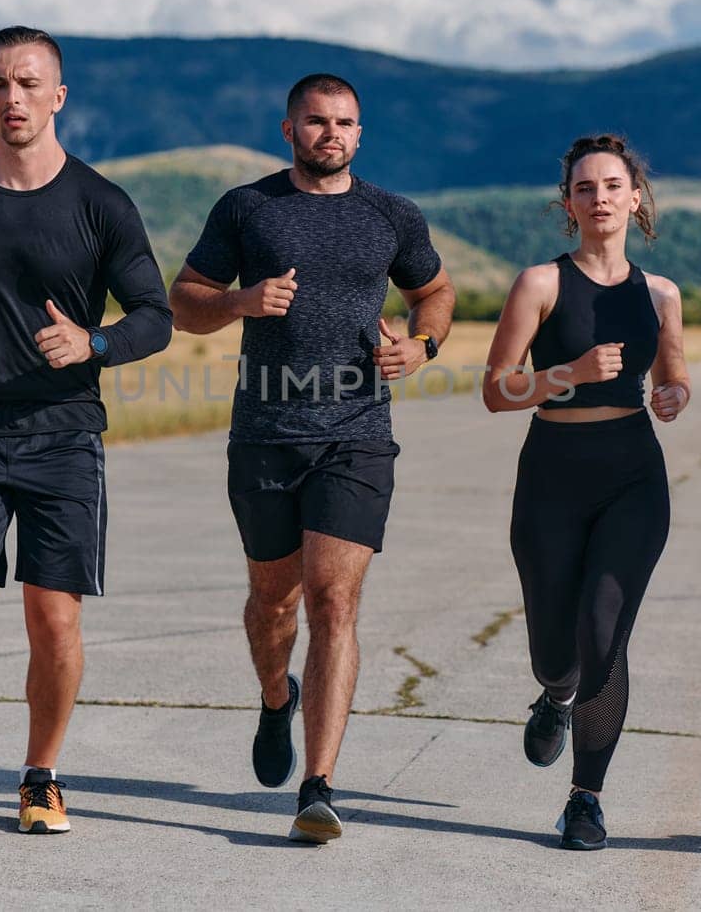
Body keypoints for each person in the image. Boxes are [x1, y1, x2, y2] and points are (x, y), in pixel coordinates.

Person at [0, 26, 172, 835]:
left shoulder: (101, 204)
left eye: (27, 83)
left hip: (64, 435)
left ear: (58, 96)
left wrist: (97, 342)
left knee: (55, 620)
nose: (11, 98)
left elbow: (156, 316)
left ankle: (41, 772)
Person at [169, 73, 455, 843]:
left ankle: (318, 785)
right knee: (274, 604)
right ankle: (274, 696)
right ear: (289, 129)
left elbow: (436, 290)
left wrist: (422, 345)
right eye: (318, 121)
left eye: (346, 123)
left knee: (333, 599)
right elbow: (183, 299)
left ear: (361, 134)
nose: (333, 133)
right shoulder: (246, 207)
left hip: (356, 433)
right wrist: (238, 301)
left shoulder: (392, 214)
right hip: (264, 431)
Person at [482, 133, 690, 851]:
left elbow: (673, 374)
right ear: (569, 204)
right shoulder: (540, 283)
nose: (598, 198)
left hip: (633, 471)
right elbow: (496, 389)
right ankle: (556, 693)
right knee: (555, 649)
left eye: (611, 186)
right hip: (553, 471)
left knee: (606, 631)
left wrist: (672, 394)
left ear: (635, 198)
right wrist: (564, 372)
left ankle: (586, 798)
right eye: (584, 188)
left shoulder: (661, 294)